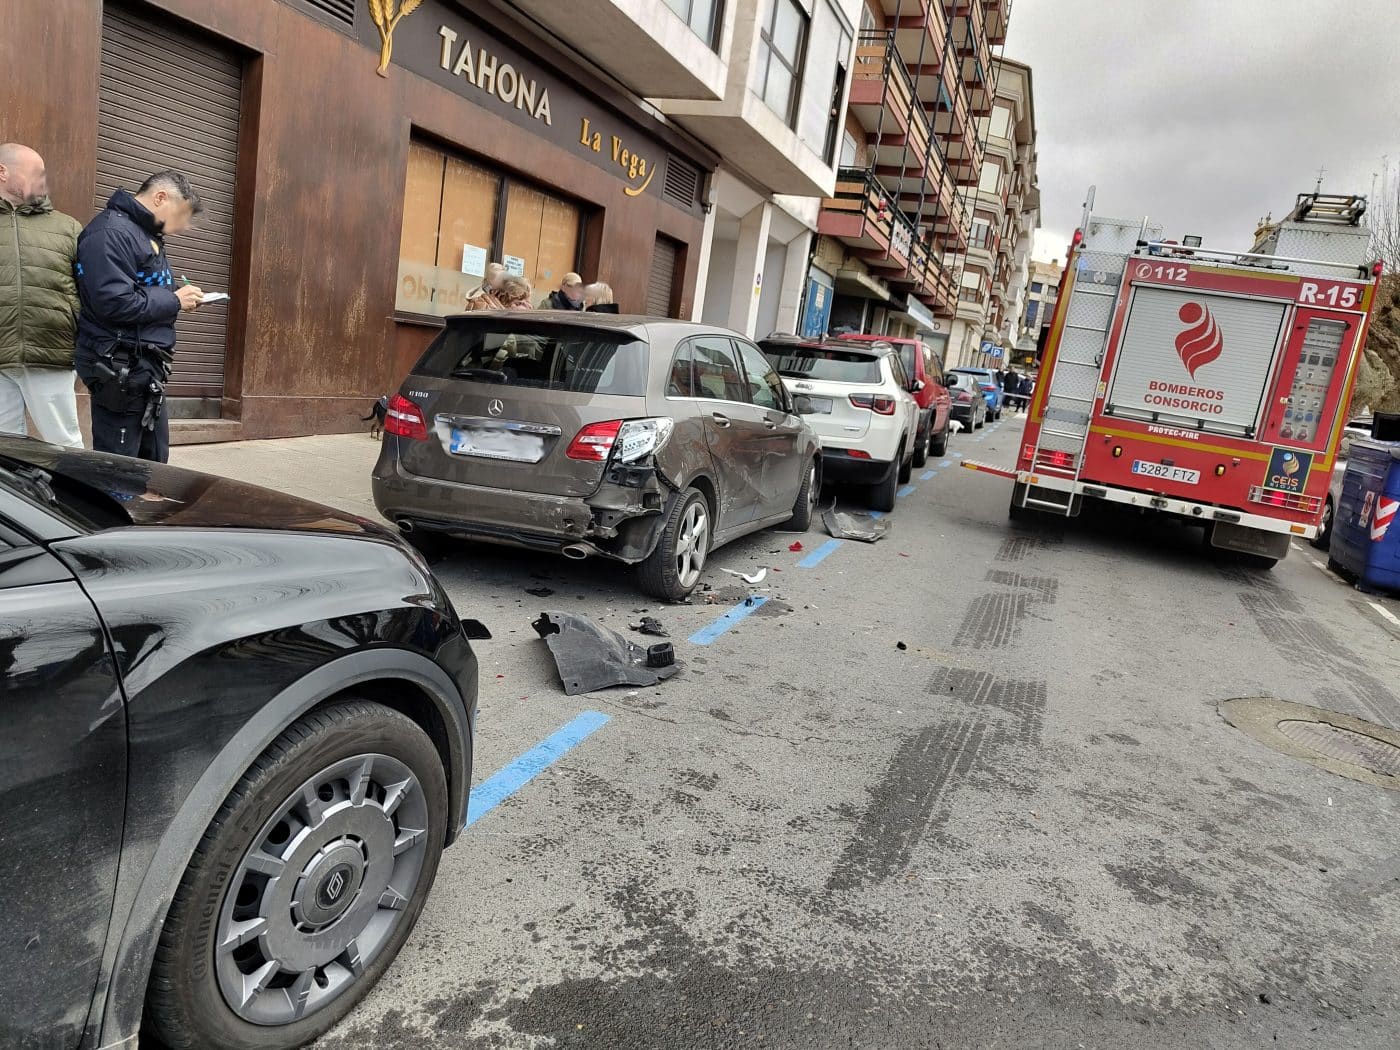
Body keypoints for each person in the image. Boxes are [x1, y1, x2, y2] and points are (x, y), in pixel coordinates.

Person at [74, 170, 204, 462]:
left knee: (153, 462)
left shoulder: (142, 234)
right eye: (182, 216)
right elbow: (114, 302)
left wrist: (180, 298)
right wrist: (173, 300)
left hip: (145, 367)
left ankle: (145, 507)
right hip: (119, 366)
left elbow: (144, 289)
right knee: (119, 467)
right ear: (160, 197)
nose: (184, 227)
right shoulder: (111, 233)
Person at [0, 143, 84, 447]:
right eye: (35, 173)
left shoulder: (67, 227)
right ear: (3, 172)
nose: (42, 181)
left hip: (50, 353)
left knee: (66, 446)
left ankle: (74, 496)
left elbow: (87, 290)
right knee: (6, 450)